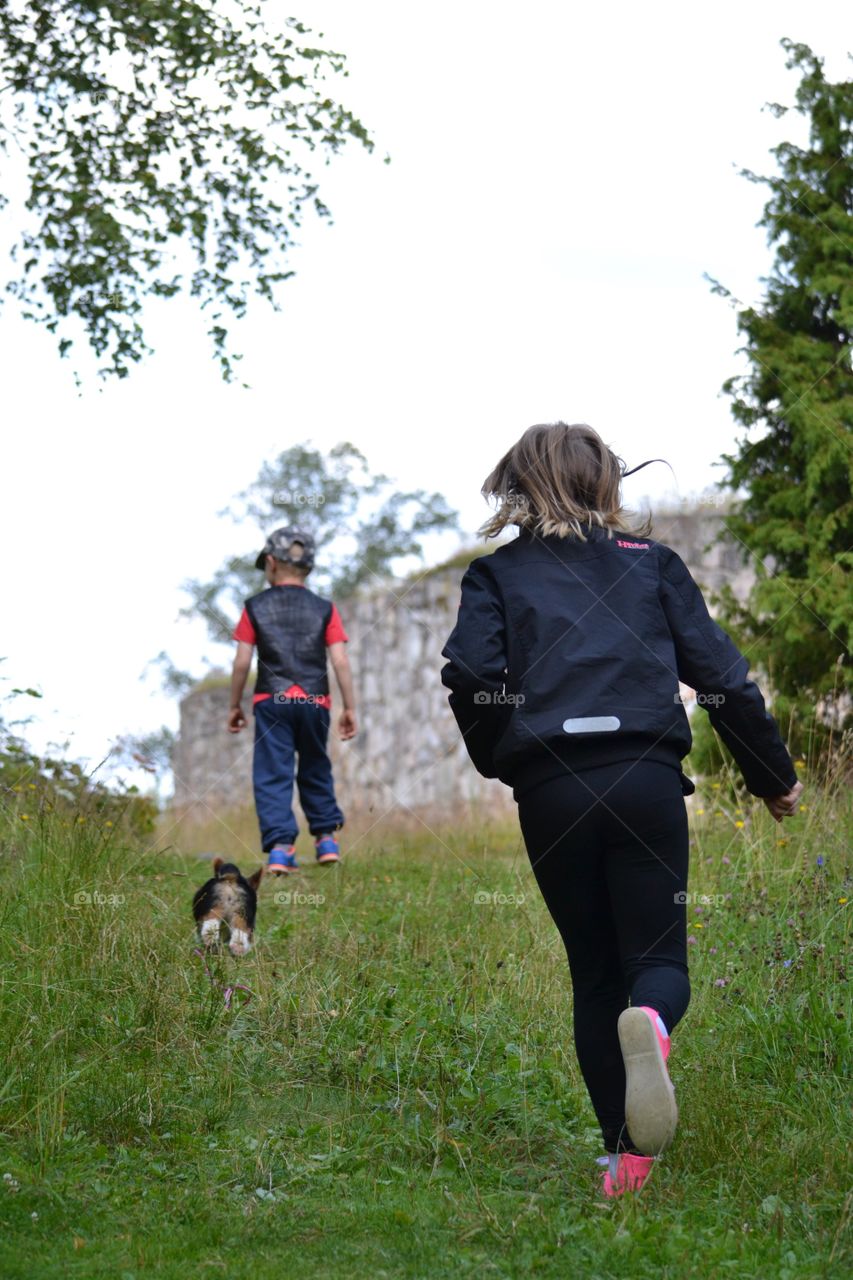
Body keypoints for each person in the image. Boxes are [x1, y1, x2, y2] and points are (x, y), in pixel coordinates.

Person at [440, 423, 803, 1198]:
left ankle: (624, 1164)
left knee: (595, 975)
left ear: (519, 483)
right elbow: (720, 679)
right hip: (643, 778)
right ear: (606, 482)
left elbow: (471, 672)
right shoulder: (652, 566)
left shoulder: (497, 575)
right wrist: (771, 776)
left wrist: (503, 756)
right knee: (658, 965)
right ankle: (656, 1030)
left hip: (551, 787)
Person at [227, 526, 357, 874]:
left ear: (270, 562)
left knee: (273, 773)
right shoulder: (324, 609)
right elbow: (340, 660)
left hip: (272, 700)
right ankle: (327, 840)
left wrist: (234, 705)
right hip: (317, 702)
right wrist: (349, 707)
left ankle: (281, 850)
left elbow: (241, 661)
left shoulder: (254, 607)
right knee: (316, 766)